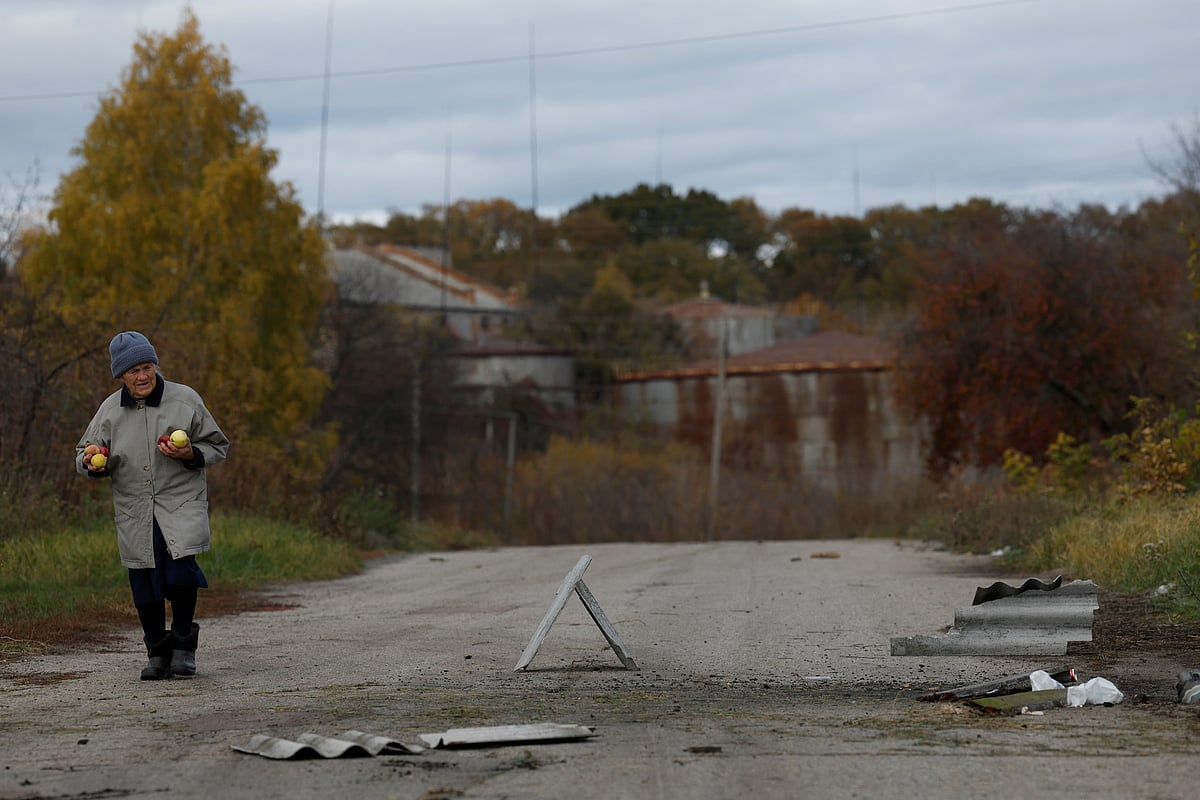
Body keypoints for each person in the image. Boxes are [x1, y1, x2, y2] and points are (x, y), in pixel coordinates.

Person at [76, 331, 230, 680]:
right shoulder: (109, 410)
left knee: (180, 575)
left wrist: (190, 453)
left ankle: (183, 648)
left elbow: (218, 446)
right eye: (134, 371)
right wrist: (93, 461)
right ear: (121, 375)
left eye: (147, 367)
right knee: (144, 582)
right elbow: (84, 453)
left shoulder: (185, 399)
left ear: (155, 366)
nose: (143, 376)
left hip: (180, 504)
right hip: (134, 509)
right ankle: (157, 653)